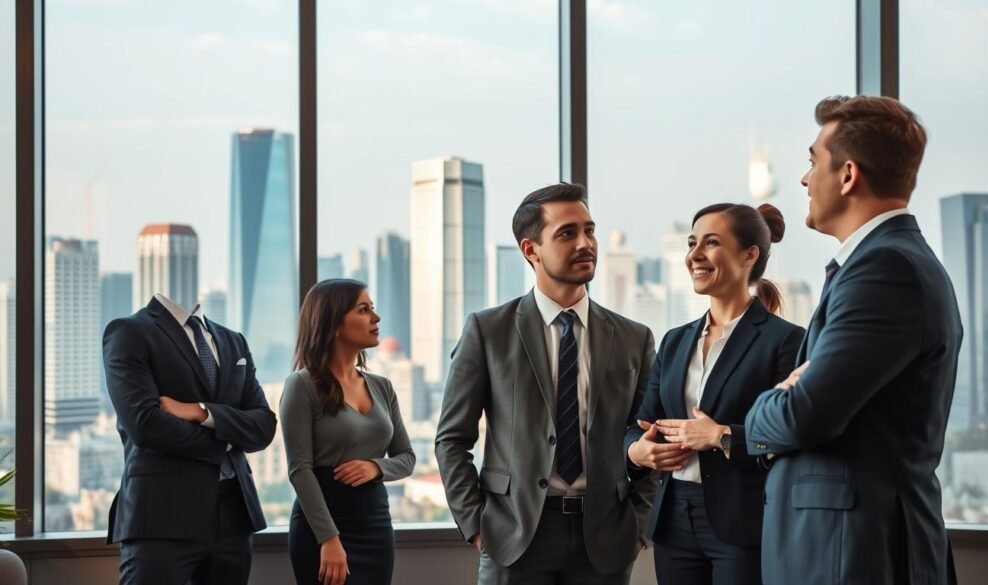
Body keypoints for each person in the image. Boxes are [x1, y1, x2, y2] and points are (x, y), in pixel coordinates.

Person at [745, 95, 963, 585]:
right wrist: (793, 389)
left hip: (854, 554)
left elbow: (805, 413)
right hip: (847, 547)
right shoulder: (881, 263)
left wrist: (767, 404)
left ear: (847, 175)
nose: (803, 179)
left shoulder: (886, 270)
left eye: (811, 162)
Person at [436, 183, 658, 585]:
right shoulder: (488, 331)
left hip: (605, 539)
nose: (585, 243)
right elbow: (451, 439)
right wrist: (477, 526)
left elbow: (648, 436)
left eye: (589, 230)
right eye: (567, 233)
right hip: (515, 537)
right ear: (530, 250)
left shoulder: (634, 337)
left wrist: (639, 525)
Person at [624, 202, 804, 585]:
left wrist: (721, 436)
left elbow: (792, 435)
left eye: (711, 243)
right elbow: (640, 422)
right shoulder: (675, 341)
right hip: (674, 517)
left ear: (749, 254)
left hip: (745, 521)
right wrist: (637, 452)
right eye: (692, 243)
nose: (694, 255)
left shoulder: (785, 341)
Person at [104, 293, 277, 585]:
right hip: (161, 516)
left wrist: (201, 412)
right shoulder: (129, 332)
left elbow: (264, 427)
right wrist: (228, 439)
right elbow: (146, 425)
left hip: (234, 518)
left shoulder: (234, 341)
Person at [281, 279, 415, 585]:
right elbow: (299, 470)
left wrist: (375, 467)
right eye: (363, 309)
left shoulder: (382, 386)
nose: (376, 318)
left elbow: (407, 458)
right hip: (322, 529)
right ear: (334, 324)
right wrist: (328, 538)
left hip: (375, 525)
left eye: (373, 309)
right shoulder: (301, 386)